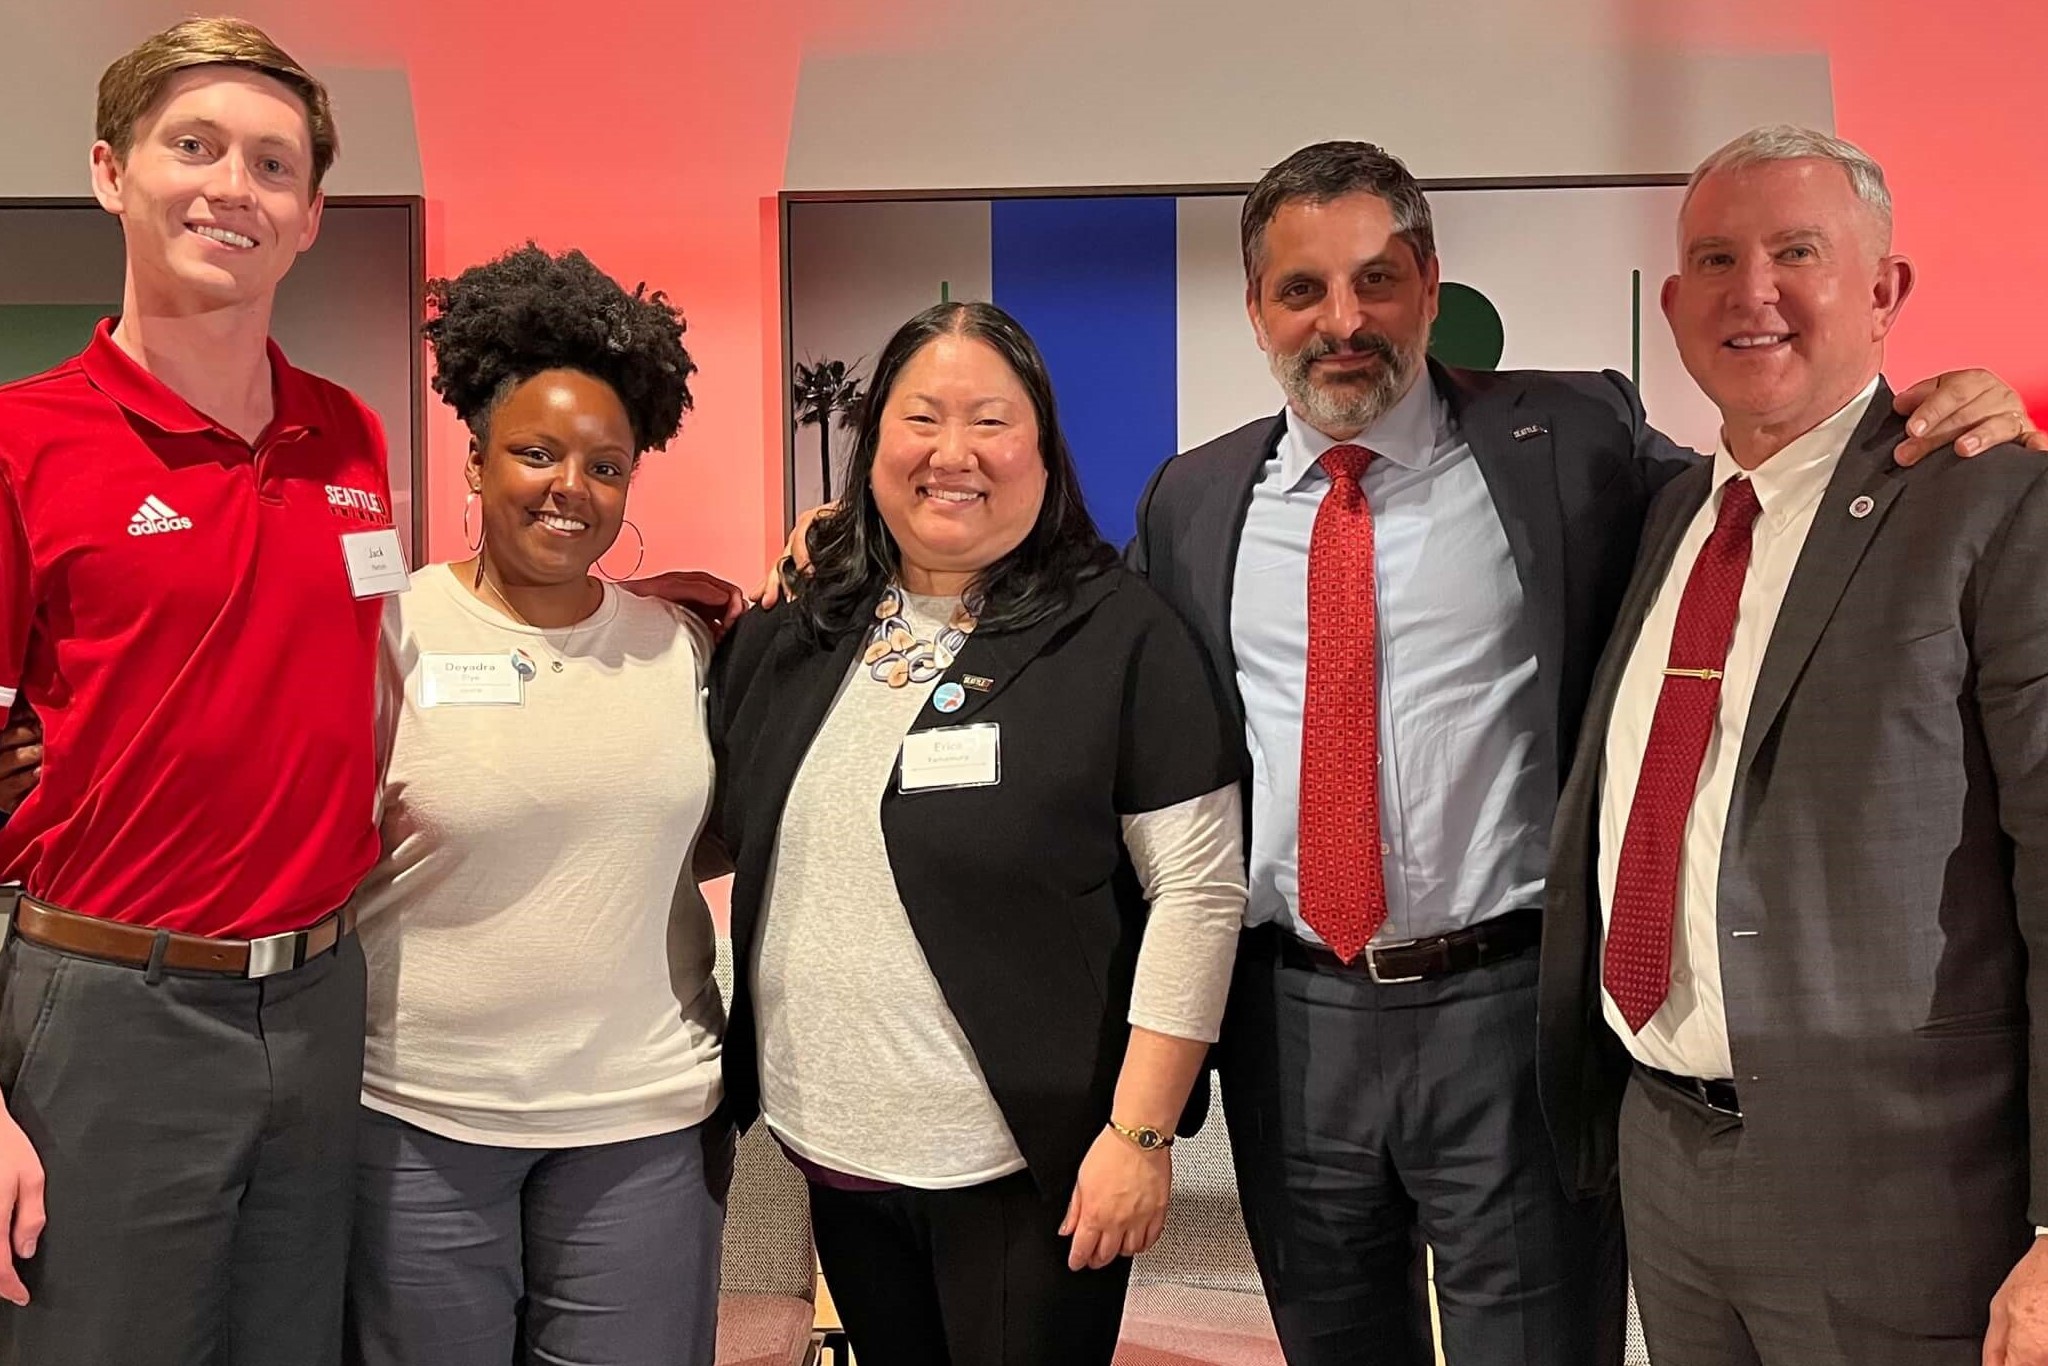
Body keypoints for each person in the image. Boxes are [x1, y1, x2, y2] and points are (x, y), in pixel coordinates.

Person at [1124, 139, 2046, 1365]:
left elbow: (1796, 467)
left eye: (1375, 280)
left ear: (1430, 283)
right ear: (1254, 308)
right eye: (1300, 289)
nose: (1341, 321)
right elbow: (1094, 668)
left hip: (1506, 1010)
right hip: (1291, 1021)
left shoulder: (1572, 444)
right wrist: (859, 551)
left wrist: (1957, 400)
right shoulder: (1191, 499)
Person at [1537, 125, 2048, 1366]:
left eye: (1795, 251)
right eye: (1713, 258)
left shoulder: (1989, 501)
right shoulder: (1667, 514)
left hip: (1900, 1186)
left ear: (1882, 291)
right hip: (1662, 1151)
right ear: (1669, 304)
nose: (1749, 291)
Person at [711, 300, 1246, 1365]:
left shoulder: (1118, 634)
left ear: (1042, 451)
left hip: (1024, 1171)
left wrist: (1139, 1136)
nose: (951, 453)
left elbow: (1197, 891)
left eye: (990, 422)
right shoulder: (800, 626)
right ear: (873, 450)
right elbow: (722, 826)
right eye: (920, 418)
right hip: (838, 1156)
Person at [0, 19, 394, 1365]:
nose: (234, 185)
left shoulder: (350, 434)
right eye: (195, 145)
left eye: (272, 163)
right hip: (112, 1011)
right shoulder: (22, 443)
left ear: (310, 217)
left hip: (324, 992)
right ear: (112, 171)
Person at [343, 245, 726, 1366]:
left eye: (606, 465)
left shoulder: (678, 645)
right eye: (536, 453)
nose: (571, 487)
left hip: (641, 1121)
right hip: (420, 1119)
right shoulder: (391, 633)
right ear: (475, 460)